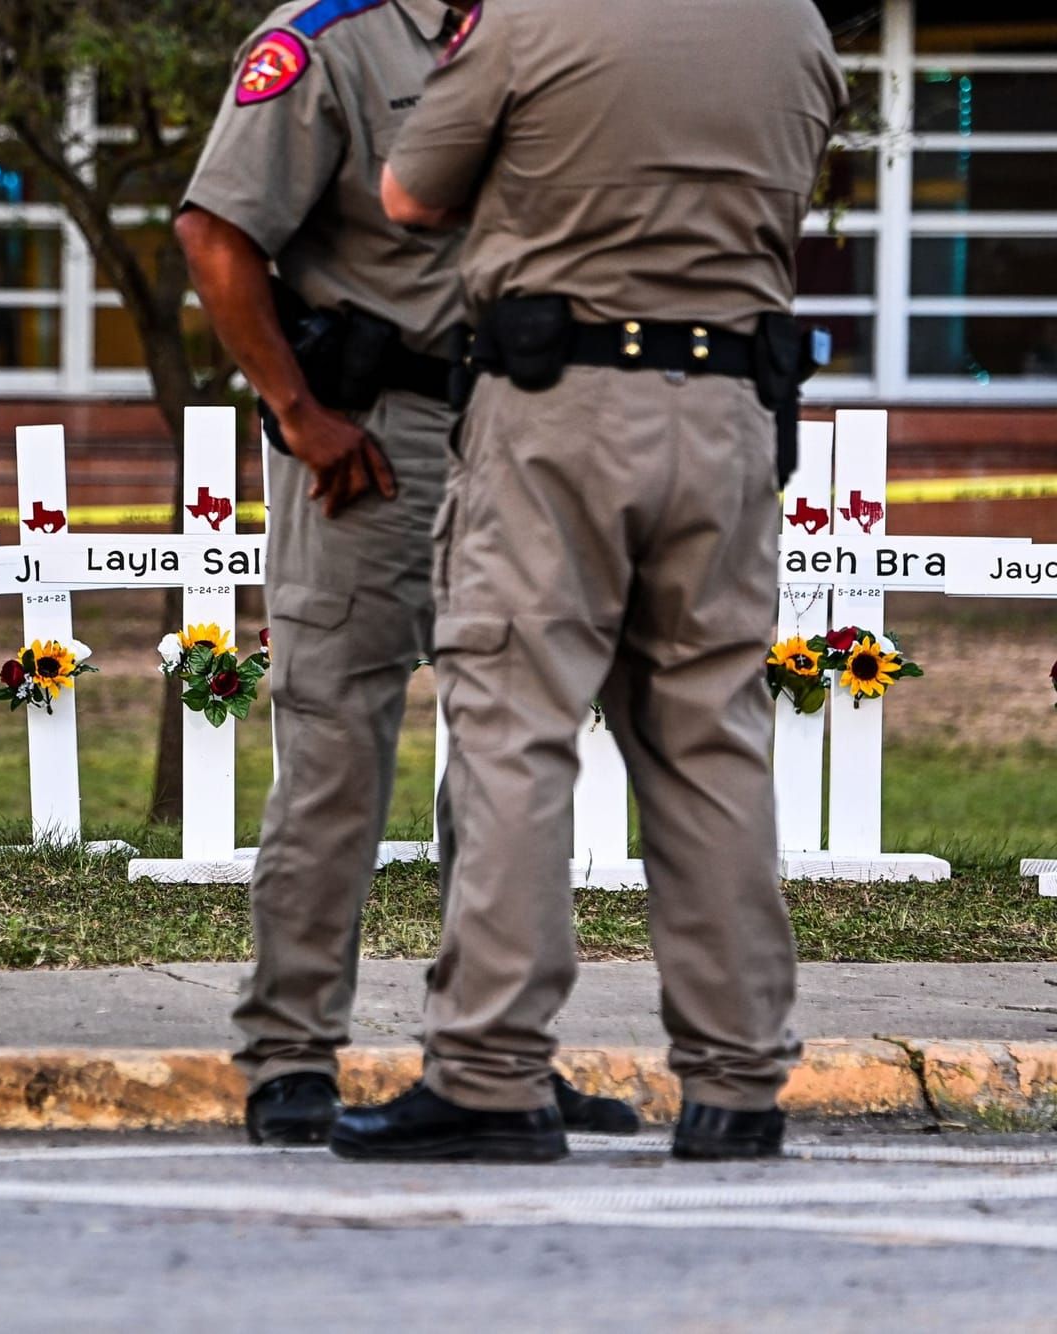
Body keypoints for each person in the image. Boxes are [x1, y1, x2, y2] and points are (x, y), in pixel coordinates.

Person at [335, 0, 847, 1163]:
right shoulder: (793, 25)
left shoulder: (529, 17)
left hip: (558, 403)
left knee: (516, 721)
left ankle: (487, 1073)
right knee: (709, 736)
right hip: (728, 410)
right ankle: (735, 1082)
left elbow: (410, 193)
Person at [176, 0, 636, 1147]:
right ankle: (290, 1056)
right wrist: (295, 412)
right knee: (334, 752)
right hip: (371, 440)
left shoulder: (551, 32)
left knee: (513, 754)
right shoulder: (328, 39)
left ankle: (492, 1060)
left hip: (523, 430)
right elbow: (213, 231)